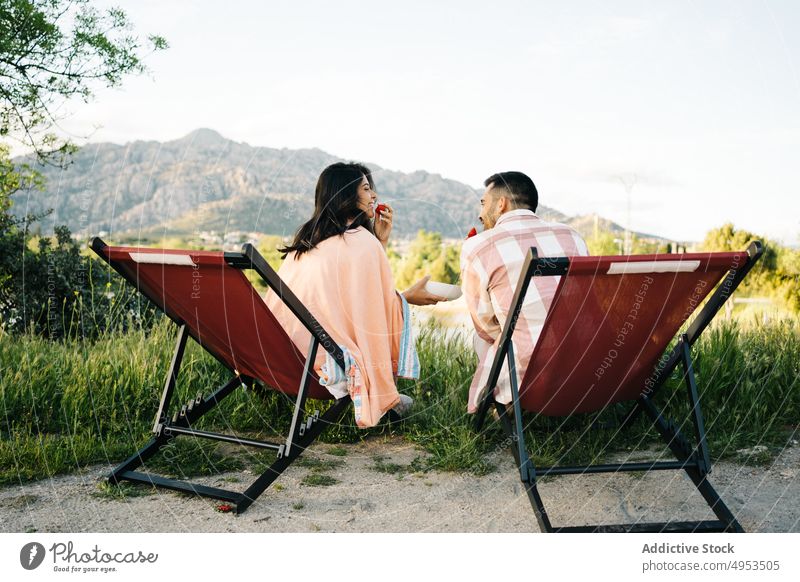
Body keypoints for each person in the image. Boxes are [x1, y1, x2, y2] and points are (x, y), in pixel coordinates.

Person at [265, 162, 444, 428]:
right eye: (366, 188)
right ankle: (383, 398)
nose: (374, 196)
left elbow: (350, 300)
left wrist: (379, 242)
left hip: (282, 356)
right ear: (346, 194)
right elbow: (372, 311)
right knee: (404, 399)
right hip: (327, 365)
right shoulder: (360, 241)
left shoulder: (305, 243)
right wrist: (406, 299)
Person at [460, 171, 589, 413]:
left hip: (529, 375)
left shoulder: (479, 246)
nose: (480, 213)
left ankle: (507, 405)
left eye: (483, 203)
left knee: (484, 338)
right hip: (585, 363)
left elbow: (485, 326)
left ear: (501, 204)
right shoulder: (571, 236)